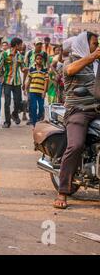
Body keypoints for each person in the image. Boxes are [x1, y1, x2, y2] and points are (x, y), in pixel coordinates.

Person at [53, 32, 100, 209]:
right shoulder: (71, 60)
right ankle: (63, 191)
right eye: (94, 44)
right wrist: (93, 56)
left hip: (98, 109)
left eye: (97, 44)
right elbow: (70, 71)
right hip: (78, 111)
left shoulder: (97, 64)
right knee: (76, 145)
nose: (96, 47)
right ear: (85, 45)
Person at [0, 37, 24, 128]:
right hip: (7, 81)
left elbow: (23, 68)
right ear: (16, 45)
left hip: (17, 81)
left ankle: (15, 114)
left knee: (18, 101)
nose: (22, 46)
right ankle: (7, 121)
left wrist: (26, 70)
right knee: (7, 102)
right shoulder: (3, 54)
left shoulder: (20, 56)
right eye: (20, 45)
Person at [25, 53, 49, 126]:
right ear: (35, 60)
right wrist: (26, 89)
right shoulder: (32, 69)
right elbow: (29, 80)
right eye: (37, 59)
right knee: (34, 107)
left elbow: (46, 81)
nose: (39, 60)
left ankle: (38, 119)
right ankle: (34, 123)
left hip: (41, 92)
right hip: (32, 91)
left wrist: (44, 92)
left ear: (43, 60)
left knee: (41, 108)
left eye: (40, 59)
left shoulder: (45, 70)